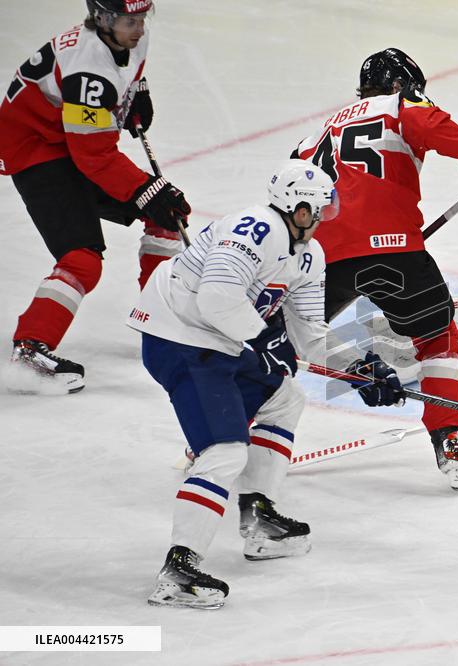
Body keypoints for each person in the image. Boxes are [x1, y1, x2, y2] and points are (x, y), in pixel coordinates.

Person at [129, 159, 404, 609]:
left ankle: (259, 517)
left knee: (285, 398)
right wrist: (261, 341)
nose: (319, 220)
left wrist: (361, 367)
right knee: (224, 452)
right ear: (296, 208)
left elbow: (309, 332)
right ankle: (178, 569)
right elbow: (216, 298)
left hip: (221, 340)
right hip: (180, 338)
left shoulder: (308, 254)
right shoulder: (255, 228)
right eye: (315, 211)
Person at [291, 48, 458, 491]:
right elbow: (430, 124)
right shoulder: (399, 105)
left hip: (319, 254)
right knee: (435, 336)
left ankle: (224, 434)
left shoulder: (314, 136)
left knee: (279, 344)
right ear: (401, 84)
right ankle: (451, 445)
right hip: (392, 251)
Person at [0, 0, 191, 394]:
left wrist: (137, 91)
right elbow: (94, 157)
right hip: (35, 149)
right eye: (128, 20)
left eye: (141, 18)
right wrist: (146, 189)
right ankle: (30, 348)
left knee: (165, 216)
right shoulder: (88, 70)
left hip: (69, 141)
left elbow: (130, 68)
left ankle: (160, 321)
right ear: (102, 19)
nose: (137, 29)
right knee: (82, 259)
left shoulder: (129, 38)